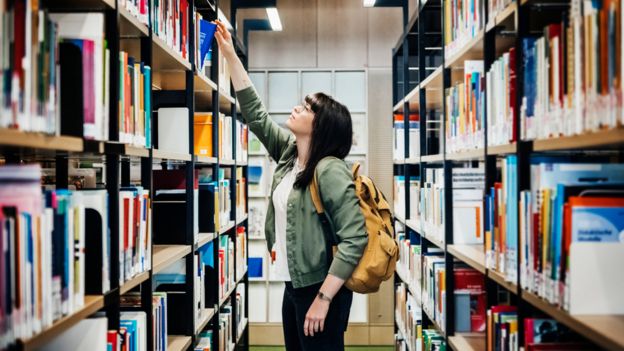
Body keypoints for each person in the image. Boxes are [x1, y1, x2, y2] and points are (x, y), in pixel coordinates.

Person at [214, 20, 368, 351]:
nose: (298, 107)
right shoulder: (289, 154)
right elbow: (255, 116)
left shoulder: (329, 170)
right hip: (293, 284)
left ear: (321, 126)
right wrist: (229, 54)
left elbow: (355, 238)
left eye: (308, 107)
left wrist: (324, 299)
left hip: (320, 289)